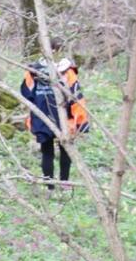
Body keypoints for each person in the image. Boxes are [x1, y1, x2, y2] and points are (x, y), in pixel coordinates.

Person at [20, 38, 88, 192]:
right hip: (65, 117)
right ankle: (64, 182)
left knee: (47, 151)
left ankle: (49, 186)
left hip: (42, 116)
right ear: (59, 50)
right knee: (65, 150)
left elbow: (26, 93)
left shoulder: (33, 71)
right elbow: (76, 96)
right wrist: (81, 121)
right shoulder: (68, 71)